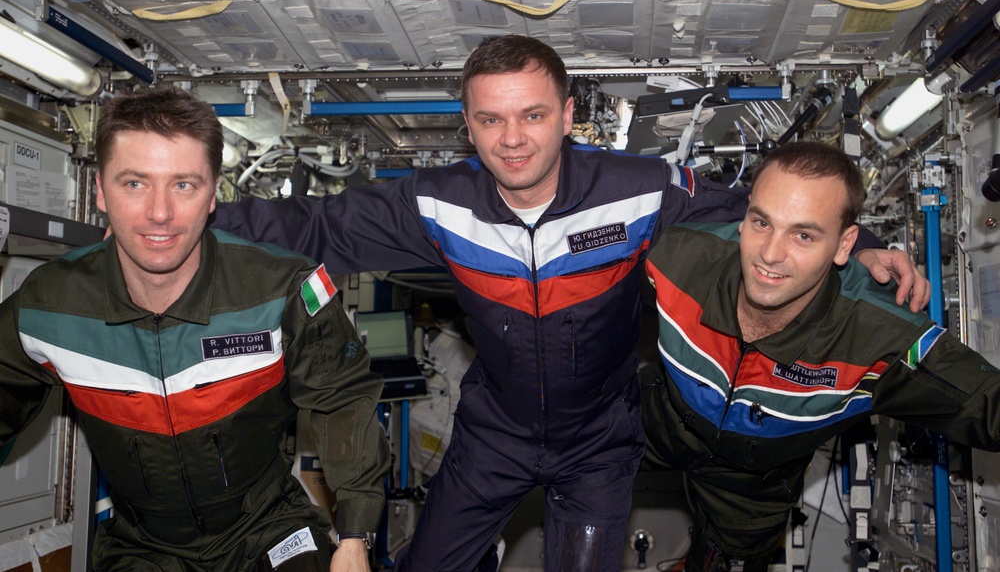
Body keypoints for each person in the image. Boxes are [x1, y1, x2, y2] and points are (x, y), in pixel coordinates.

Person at [211, 35, 929, 571]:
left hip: (599, 441)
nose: (512, 139)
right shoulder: (437, 204)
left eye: (531, 115)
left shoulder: (640, 189)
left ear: (566, 113)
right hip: (494, 433)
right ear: (467, 124)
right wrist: (191, 226)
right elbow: (314, 226)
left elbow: (758, 217)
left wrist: (859, 256)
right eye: (490, 120)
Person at [0, 88, 389, 572]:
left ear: (211, 196)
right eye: (135, 184)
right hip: (144, 548)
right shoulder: (49, 308)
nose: (159, 213)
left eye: (183, 185)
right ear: (100, 190)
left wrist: (354, 536)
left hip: (267, 530)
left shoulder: (282, 291)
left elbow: (343, 399)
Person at [639, 141, 1000, 572]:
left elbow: (987, 405)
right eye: (761, 223)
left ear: (845, 244)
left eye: (803, 235)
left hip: (754, 482)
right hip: (655, 425)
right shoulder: (677, 258)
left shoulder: (875, 334)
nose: (770, 255)